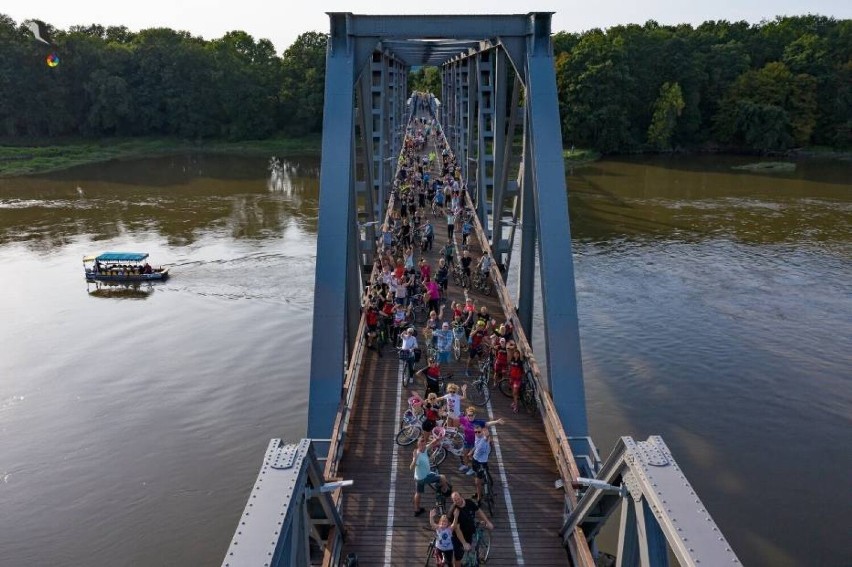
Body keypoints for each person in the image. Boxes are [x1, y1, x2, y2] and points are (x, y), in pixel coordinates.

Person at [447, 491, 494, 567]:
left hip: (469, 532)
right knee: (458, 557)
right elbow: (457, 529)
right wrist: (464, 543)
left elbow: (479, 511)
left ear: (461, 496)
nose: (457, 501)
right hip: (457, 536)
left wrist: (487, 522)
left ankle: (477, 556)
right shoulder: (454, 510)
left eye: (458, 498)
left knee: (468, 550)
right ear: (453, 501)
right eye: (455, 500)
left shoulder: (469, 502)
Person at [411, 436, 450, 517]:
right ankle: (446, 491)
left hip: (418, 477)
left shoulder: (424, 449)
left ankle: (416, 510)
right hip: (424, 477)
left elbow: (432, 444)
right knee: (442, 477)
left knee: (418, 493)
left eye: (424, 441)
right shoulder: (417, 455)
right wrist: (414, 459)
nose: (422, 443)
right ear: (417, 443)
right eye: (421, 441)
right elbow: (411, 467)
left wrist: (437, 439)